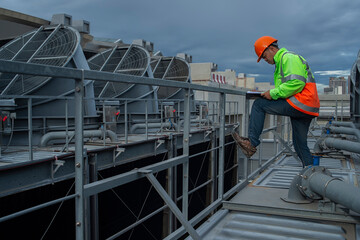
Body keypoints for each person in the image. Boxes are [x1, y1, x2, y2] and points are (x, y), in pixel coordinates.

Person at [232, 36, 320, 167]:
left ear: (271, 49)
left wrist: (272, 93)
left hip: (300, 102)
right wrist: (272, 93)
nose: (264, 59)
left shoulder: (288, 58)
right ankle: (311, 173)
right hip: (306, 105)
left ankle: (252, 144)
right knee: (299, 144)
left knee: (259, 105)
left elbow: (297, 83)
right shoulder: (282, 62)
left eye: (264, 56)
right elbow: (290, 85)